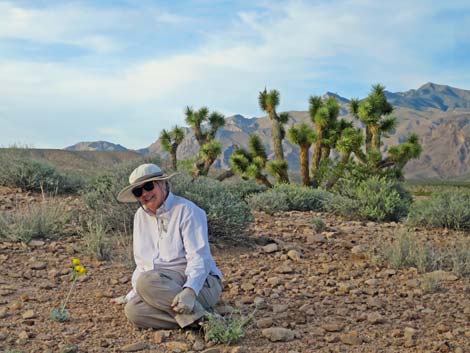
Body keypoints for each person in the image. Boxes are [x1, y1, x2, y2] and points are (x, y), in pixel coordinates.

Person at [111, 163, 223, 329]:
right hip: (161, 286)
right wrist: (132, 295)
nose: (145, 194)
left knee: (147, 281)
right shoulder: (140, 217)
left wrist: (190, 291)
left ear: (163, 183)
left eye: (148, 186)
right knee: (133, 310)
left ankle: (208, 324)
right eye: (138, 191)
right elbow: (144, 264)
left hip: (201, 283)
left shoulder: (187, 210)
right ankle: (200, 319)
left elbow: (199, 257)